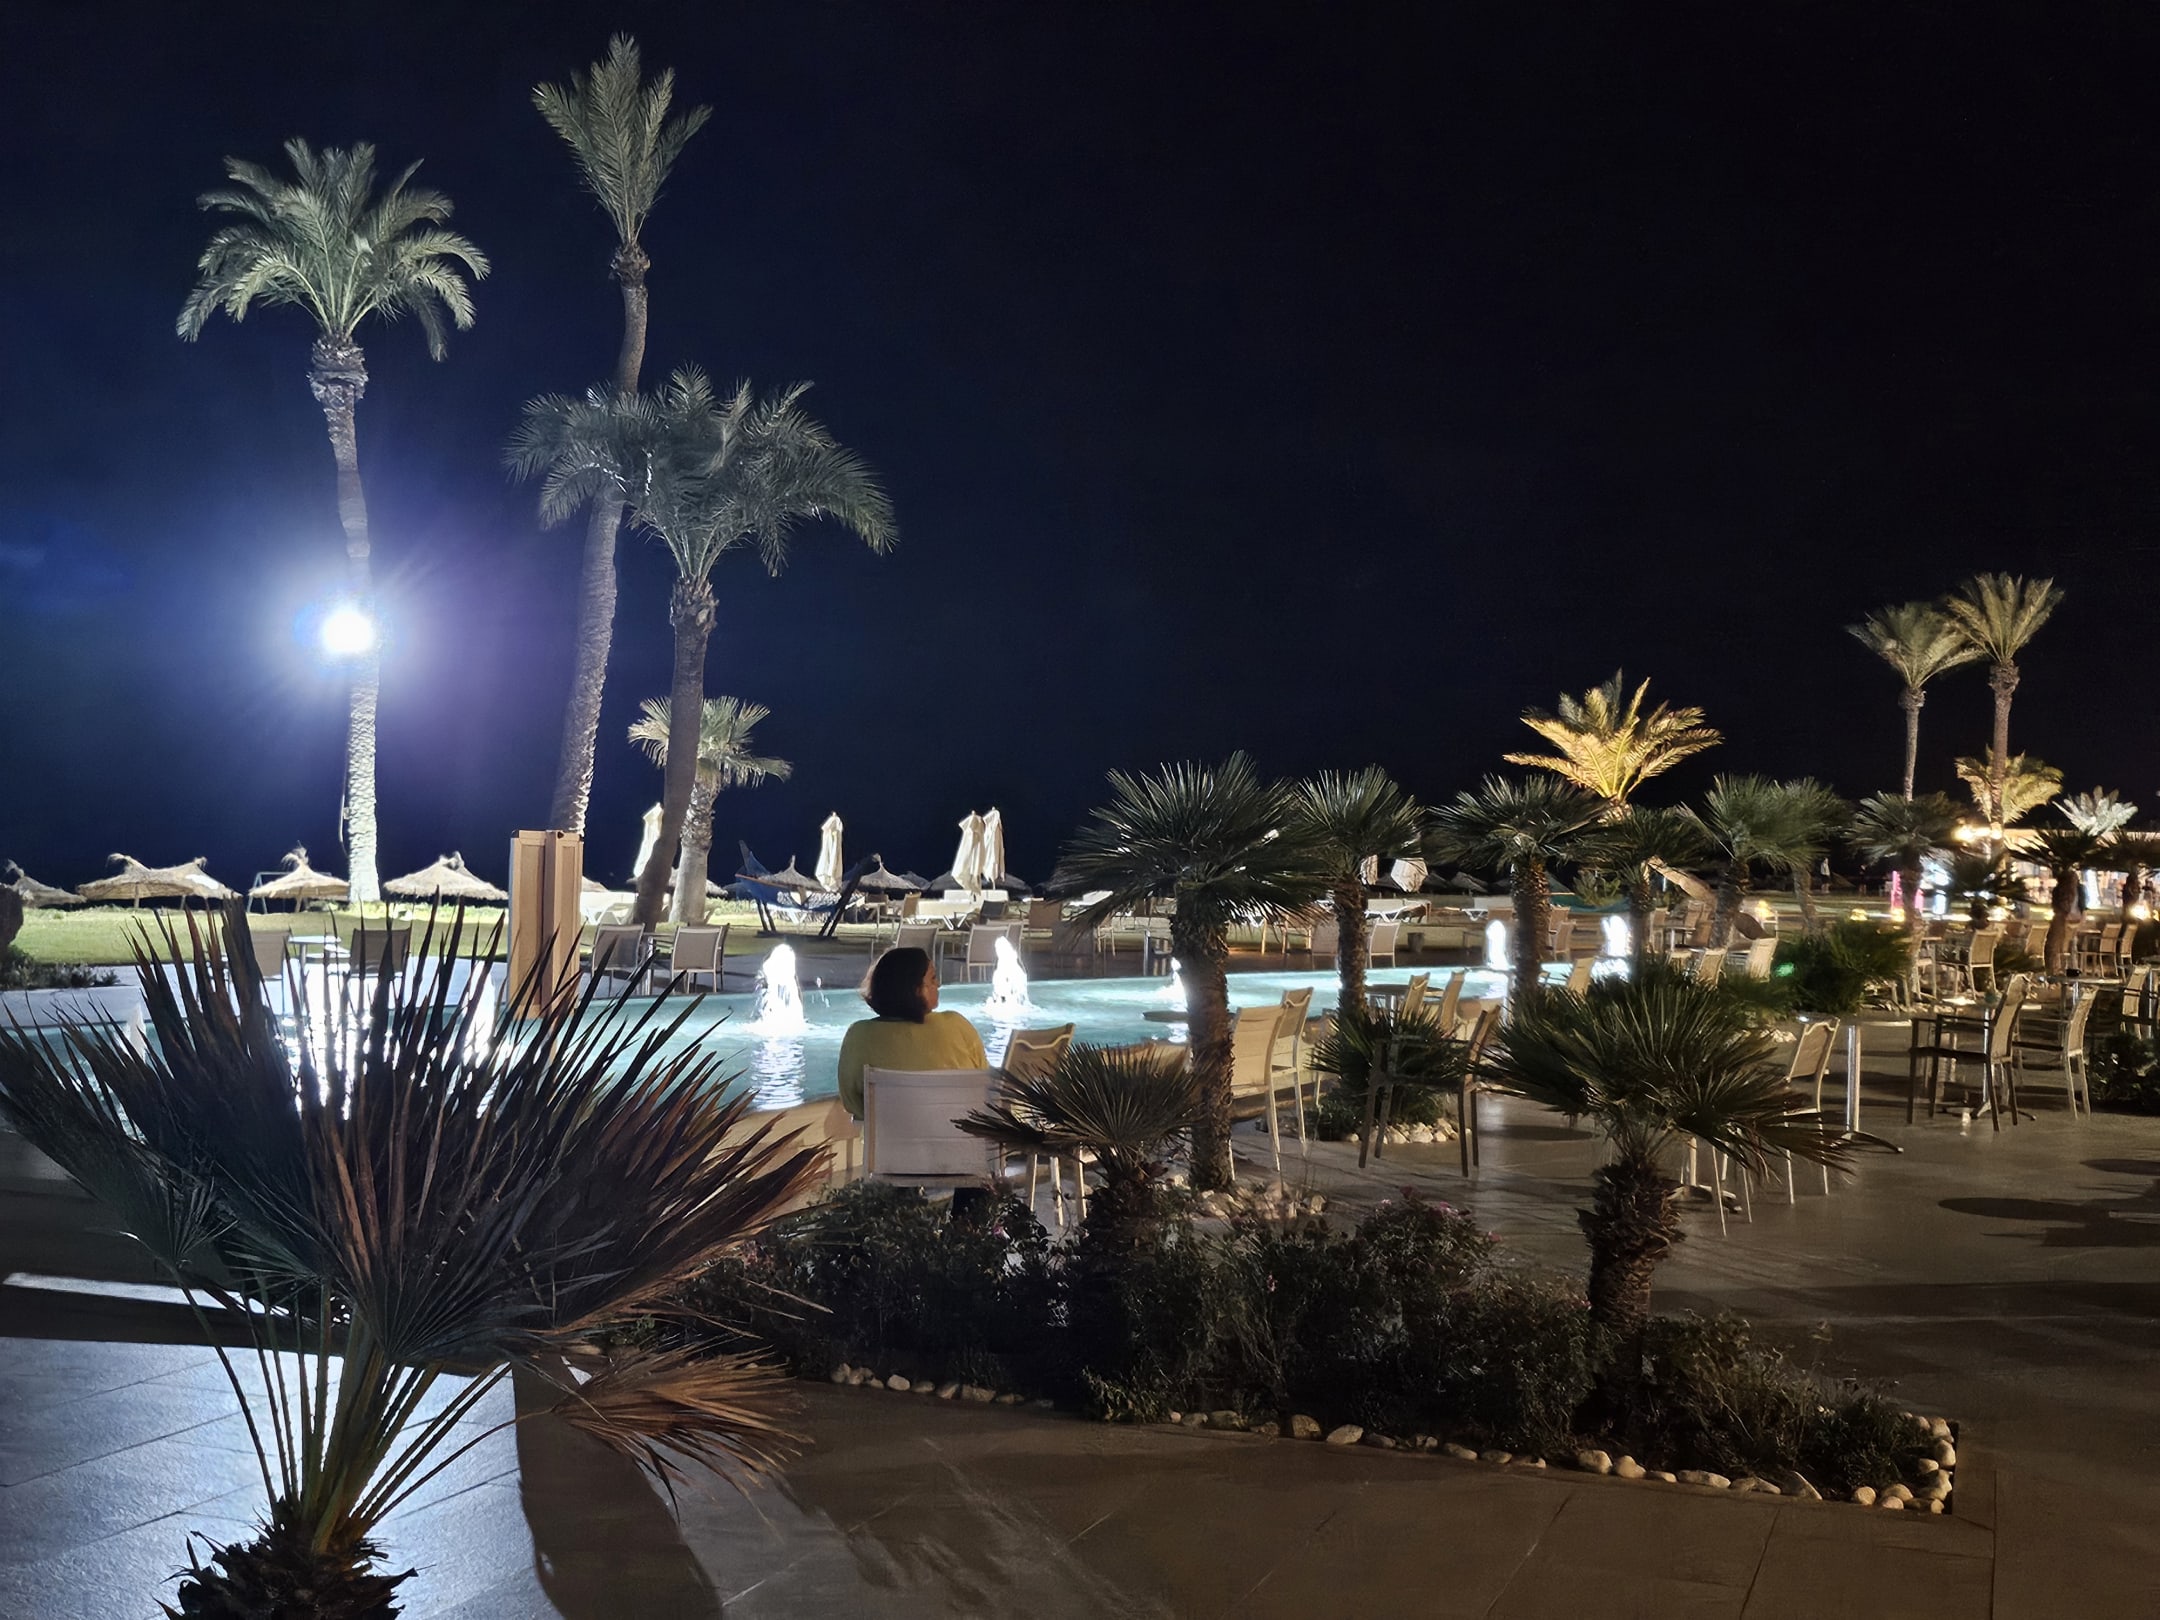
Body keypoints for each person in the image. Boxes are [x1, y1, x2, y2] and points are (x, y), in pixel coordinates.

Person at [835, 946, 987, 1120]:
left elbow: (851, 1103)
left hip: (890, 1136)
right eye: (933, 978)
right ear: (916, 989)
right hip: (958, 1135)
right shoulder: (957, 1026)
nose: (938, 984)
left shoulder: (859, 1036)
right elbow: (984, 1085)